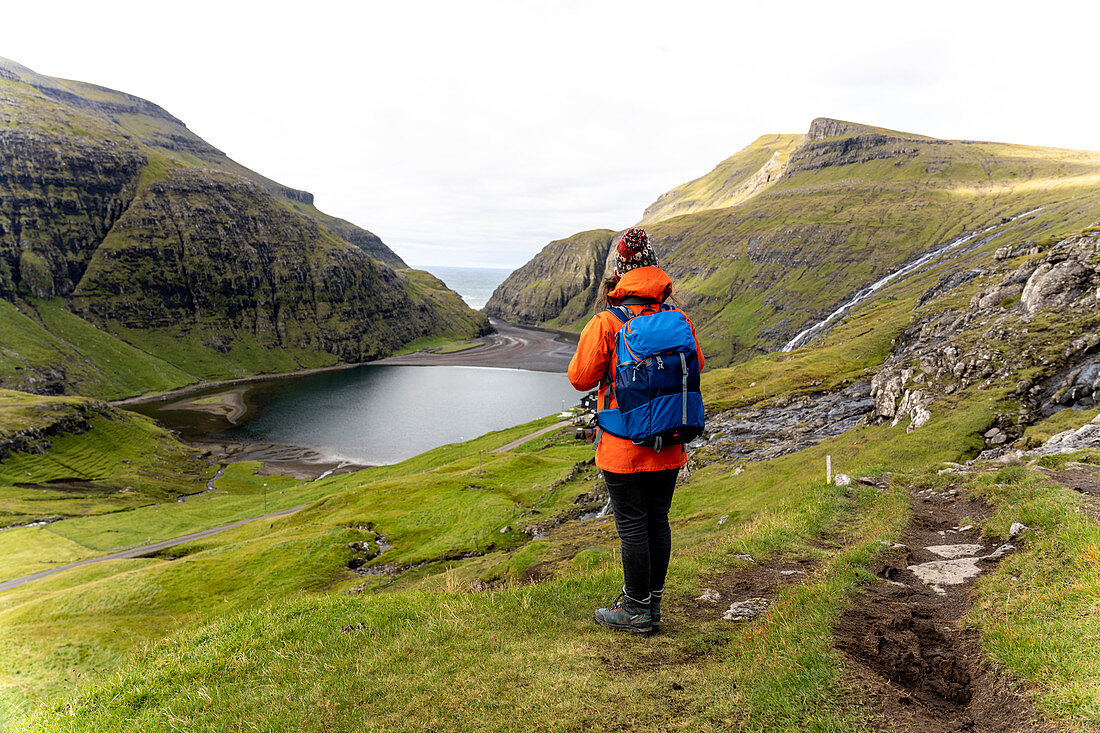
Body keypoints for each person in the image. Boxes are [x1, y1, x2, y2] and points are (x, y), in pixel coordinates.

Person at [567, 228, 704, 634]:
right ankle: (650, 604)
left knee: (632, 525)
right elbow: (697, 365)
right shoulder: (678, 319)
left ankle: (637, 610)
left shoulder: (607, 322)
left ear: (619, 274)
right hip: (671, 440)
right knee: (657, 520)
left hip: (623, 446)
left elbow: (579, 378)